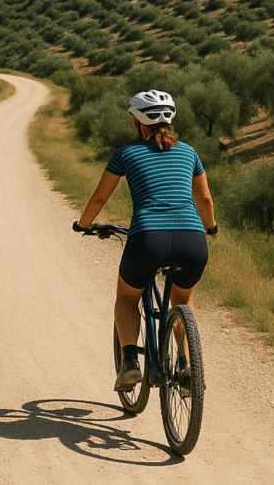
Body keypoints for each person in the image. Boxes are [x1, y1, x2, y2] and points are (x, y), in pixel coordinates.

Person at [75, 90, 218, 391]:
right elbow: (203, 198)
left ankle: (130, 363)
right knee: (182, 299)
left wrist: (83, 224)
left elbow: (100, 196)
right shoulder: (189, 152)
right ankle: (185, 364)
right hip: (193, 239)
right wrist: (212, 227)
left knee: (127, 297)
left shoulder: (126, 153)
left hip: (147, 238)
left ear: (138, 122)